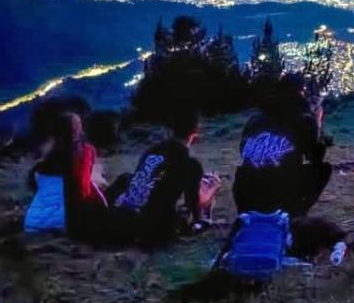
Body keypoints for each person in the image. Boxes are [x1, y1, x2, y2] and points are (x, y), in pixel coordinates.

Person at [106, 109, 220, 246]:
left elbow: (158, 178)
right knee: (199, 207)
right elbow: (193, 204)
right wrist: (211, 191)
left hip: (122, 218)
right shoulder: (189, 163)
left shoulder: (152, 151)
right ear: (196, 129)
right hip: (149, 229)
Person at [233, 89, 332, 217]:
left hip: (244, 189)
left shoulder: (255, 119)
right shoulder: (305, 120)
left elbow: (243, 151)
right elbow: (315, 157)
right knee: (324, 169)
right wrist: (317, 123)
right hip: (281, 191)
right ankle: (297, 215)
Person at [25, 109, 107, 237]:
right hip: (66, 224)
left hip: (32, 224)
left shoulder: (42, 162)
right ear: (77, 131)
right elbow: (83, 189)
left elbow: (35, 189)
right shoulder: (85, 152)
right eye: (78, 126)